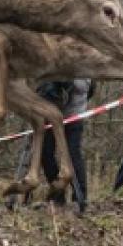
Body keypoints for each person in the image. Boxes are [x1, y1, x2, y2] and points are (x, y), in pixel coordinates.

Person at [38, 79, 92, 212]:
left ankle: (80, 198)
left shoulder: (83, 70)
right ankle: (58, 196)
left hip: (73, 117)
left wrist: (65, 82)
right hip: (51, 116)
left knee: (72, 154)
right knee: (45, 153)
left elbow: (84, 87)